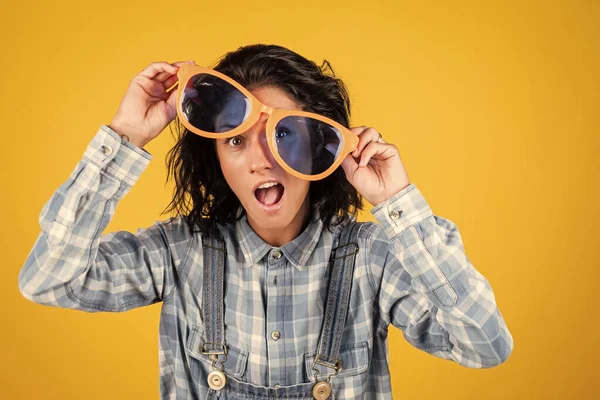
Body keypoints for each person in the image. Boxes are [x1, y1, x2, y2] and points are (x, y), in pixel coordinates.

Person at [18, 44, 513, 400]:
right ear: (216, 159)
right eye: (236, 140)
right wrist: (124, 137)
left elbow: (484, 345)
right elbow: (47, 280)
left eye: (286, 134)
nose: (262, 160)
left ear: (321, 148)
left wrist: (399, 202)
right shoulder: (177, 252)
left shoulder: (374, 259)